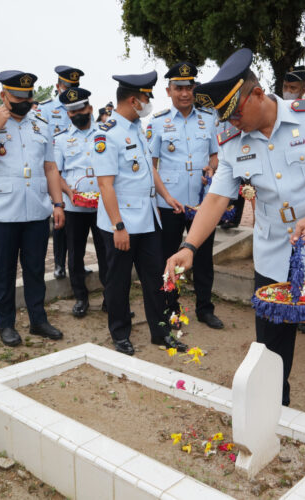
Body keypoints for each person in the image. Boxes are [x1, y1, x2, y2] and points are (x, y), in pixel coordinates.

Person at [167, 48, 305, 425]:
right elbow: (217, 197)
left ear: (257, 94)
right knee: (271, 352)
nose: (233, 123)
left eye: (236, 113)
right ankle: (275, 420)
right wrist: (189, 246)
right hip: (273, 259)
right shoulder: (233, 139)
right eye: (227, 118)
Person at [0, 70, 65, 347]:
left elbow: (50, 167)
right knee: (5, 271)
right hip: (4, 213)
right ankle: (6, 324)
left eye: (28, 97)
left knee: (35, 269)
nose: (24, 101)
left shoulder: (41, 125)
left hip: (36, 209)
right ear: (3, 96)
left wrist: (58, 203)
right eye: (17, 97)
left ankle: (38, 320)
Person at [93, 70, 187, 356]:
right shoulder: (107, 134)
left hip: (148, 220)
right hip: (121, 224)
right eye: (147, 97)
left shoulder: (137, 129)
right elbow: (105, 185)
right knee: (118, 282)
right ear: (134, 100)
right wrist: (118, 226)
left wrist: (167, 197)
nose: (149, 103)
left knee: (156, 280)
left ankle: (161, 333)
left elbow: (150, 170)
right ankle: (120, 334)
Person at [148, 61, 224, 330]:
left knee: (203, 257)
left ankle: (205, 308)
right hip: (170, 203)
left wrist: (211, 168)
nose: (184, 93)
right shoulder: (157, 123)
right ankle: (171, 308)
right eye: (178, 88)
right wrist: (165, 197)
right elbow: (151, 166)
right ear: (168, 91)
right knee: (169, 257)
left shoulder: (208, 118)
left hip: (202, 203)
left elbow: (216, 155)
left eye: (189, 87)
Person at [53, 86, 108, 318]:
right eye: (73, 112)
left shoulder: (106, 133)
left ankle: (111, 298)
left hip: (104, 206)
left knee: (107, 253)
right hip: (75, 207)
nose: (78, 114)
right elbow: (55, 172)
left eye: (81, 109)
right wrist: (68, 195)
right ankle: (81, 298)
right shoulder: (62, 140)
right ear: (68, 114)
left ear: (90, 108)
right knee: (75, 254)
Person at [39, 66, 85, 280]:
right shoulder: (46, 109)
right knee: (60, 217)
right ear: (58, 86)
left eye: (74, 87)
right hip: (55, 168)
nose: (69, 91)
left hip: (76, 171)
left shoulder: (81, 107)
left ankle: (78, 265)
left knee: (78, 227)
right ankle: (59, 264)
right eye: (66, 87)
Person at [282, 65, 305, 335]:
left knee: (304, 262)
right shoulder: (275, 119)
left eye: (293, 89)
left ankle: (303, 311)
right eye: (286, 88)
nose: (289, 93)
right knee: (284, 262)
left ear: (303, 90)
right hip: (282, 211)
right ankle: (287, 308)